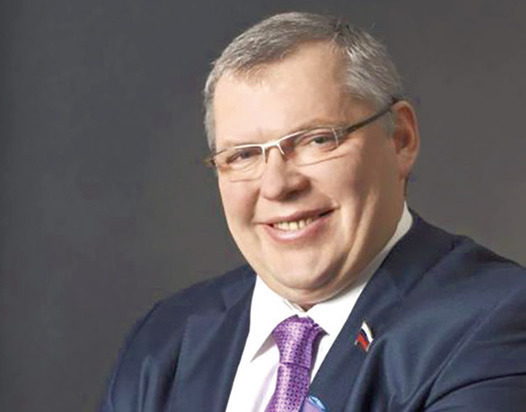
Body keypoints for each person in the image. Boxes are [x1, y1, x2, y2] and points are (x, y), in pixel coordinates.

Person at [100, 12, 526, 412]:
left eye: (317, 140)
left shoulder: (498, 319)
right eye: (243, 155)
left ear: (400, 139)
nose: (277, 185)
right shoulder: (165, 340)